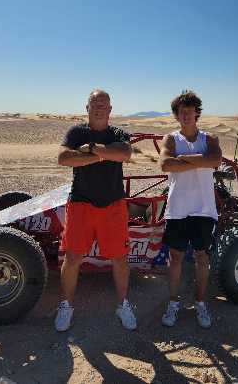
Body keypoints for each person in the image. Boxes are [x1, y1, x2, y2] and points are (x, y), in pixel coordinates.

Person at [55, 89, 136, 332]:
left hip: (113, 204)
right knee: (72, 258)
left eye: (103, 104)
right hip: (81, 203)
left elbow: (125, 154)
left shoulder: (118, 133)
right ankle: (66, 306)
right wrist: (103, 155)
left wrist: (89, 150)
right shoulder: (76, 132)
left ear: (110, 109)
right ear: (87, 108)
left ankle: (123, 304)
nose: (99, 107)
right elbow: (64, 158)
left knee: (119, 258)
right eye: (94, 103)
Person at [158, 90, 222, 328]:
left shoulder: (210, 139)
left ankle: (200, 303)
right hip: (178, 208)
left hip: (204, 208)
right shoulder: (171, 139)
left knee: (202, 257)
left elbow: (215, 161)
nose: (186, 115)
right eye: (181, 112)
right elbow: (165, 164)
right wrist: (199, 159)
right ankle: (173, 303)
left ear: (197, 113)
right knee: (175, 257)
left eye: (190, 111)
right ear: (177, 115)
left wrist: (183, 160)